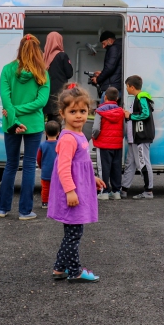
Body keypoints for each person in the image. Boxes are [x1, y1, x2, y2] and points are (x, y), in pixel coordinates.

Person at [48, 86, 106, 282]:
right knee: (74, 234)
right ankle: (75, 271)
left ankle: (59, 268)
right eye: (73, 112)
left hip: (78, 189)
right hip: (72, 193)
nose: (79, 116)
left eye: (82, 111)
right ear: (62, 113)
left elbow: (82, 164)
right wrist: (70, 191)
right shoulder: (68, 139)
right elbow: (63, 169)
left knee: (73, 232)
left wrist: (93, 178)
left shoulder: (80, 135)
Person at [0, 34, 50, 220]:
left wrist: (14, 117)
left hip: (11, 124)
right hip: (33, 125)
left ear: (20, 49)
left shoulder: (7, 70)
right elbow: (40, 102)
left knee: (11, 164)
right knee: (28, 165)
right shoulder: (42, 73)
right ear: (38, 51)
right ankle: (25, 211)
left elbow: (5, 100)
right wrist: (22, 117)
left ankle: (2, 209)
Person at [121, 75, 155, 200]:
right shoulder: (136, 98)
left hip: (141, 137)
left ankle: (148, 191)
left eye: (127, 87)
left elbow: (145, 114)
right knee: (130, 163)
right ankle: (124, 189)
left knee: (143, 163)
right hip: (134, 138)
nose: (126, 89)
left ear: (132, 87)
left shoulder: (141, 97)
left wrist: (130, 116)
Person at [91, 87, 124, 200]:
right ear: (117, 98)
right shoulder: (121, 111)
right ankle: (116, 192)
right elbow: (124, 129)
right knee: (116, 167)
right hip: (117, 144)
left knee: (103, 168)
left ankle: (104, 191)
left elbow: (96, 128)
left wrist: (94, 137)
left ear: (105, 97)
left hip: (103, 144)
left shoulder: (100, 111)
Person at [42, 32, 74, 124]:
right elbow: (69, 73)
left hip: (45, 93)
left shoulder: (43, 57)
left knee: (48, 122)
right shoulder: (62, 56)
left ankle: (48, 138)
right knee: (56, 122)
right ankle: (56, 138)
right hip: (58, 94)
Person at [90, 31, 123, 103]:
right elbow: (114, 67)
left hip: (112, 87)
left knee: (104, 111)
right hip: (117, 85)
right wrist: (102, 73)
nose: (103, 46)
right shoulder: (119, 48)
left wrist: (98, 79)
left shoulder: (114, 48)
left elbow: (109, 68)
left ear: (110, 40)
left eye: (103, 43)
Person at [36, 120, 61, 209]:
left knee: (45, 188)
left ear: (45, 133)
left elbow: (38, 158)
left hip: (46, 170)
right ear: (58, 133)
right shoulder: (60, 144)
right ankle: (57, 201)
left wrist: (40, 165)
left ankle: (45, 202)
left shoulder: (42, 145)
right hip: (58, 171)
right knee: (58, 187)